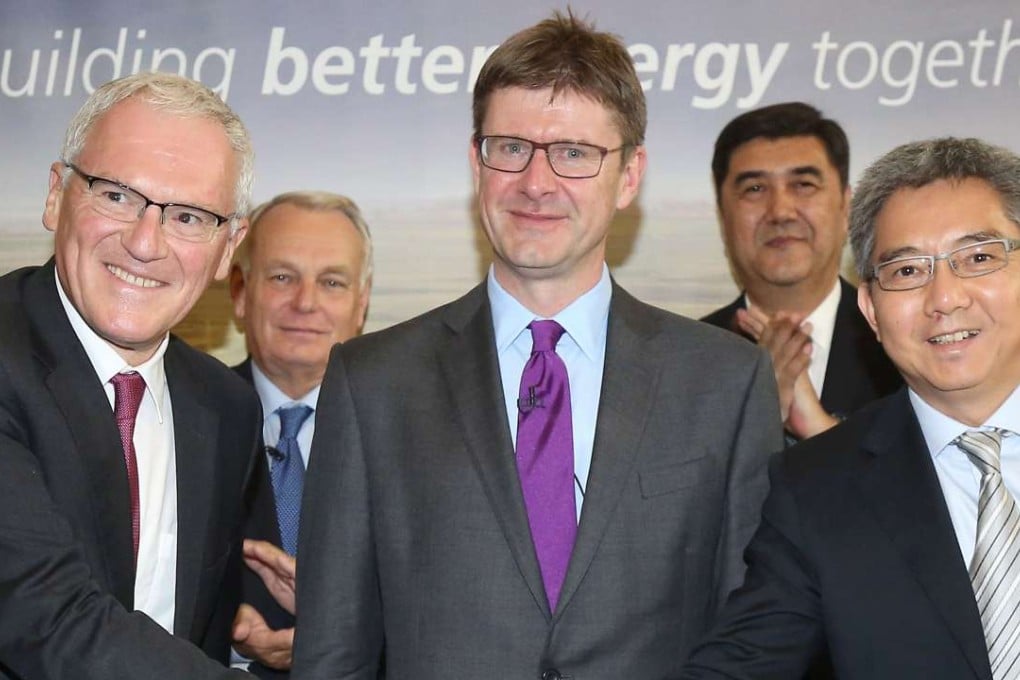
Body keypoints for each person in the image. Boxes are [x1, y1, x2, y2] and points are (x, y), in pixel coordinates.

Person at [292, 11, 782, 680]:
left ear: (630, 175)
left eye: (574, 153)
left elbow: (750, 644)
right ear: (477, 162)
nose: (537, 183)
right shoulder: (372, 383)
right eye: (511, 147)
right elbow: (333, 656)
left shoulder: (726, 383)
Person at [681, 136, 1020, 679]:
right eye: (907, 271)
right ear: (871, 310)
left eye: (978, 258)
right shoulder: (815, 489)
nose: (945, 298)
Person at [0, 72, 261, 679]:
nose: (146, 243)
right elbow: (52, 619)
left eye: (189, 217)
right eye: (117, 196)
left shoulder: (226, 406)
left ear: (228, 247)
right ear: (56, 195)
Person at [227, 191, 373, 677]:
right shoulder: (182, 417)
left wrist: (341, 633)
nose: (305, 302)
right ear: (240, 292)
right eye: (282, 277)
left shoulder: (408, 434)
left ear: (361, 304)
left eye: (331, 282)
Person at [702, 102, 900, 441]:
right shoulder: (682, 359)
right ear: (722, 215)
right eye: (755, 189)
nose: (780, 211)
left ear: (845, 206)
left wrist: (819, 429)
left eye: (803, 185)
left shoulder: (903, 343)